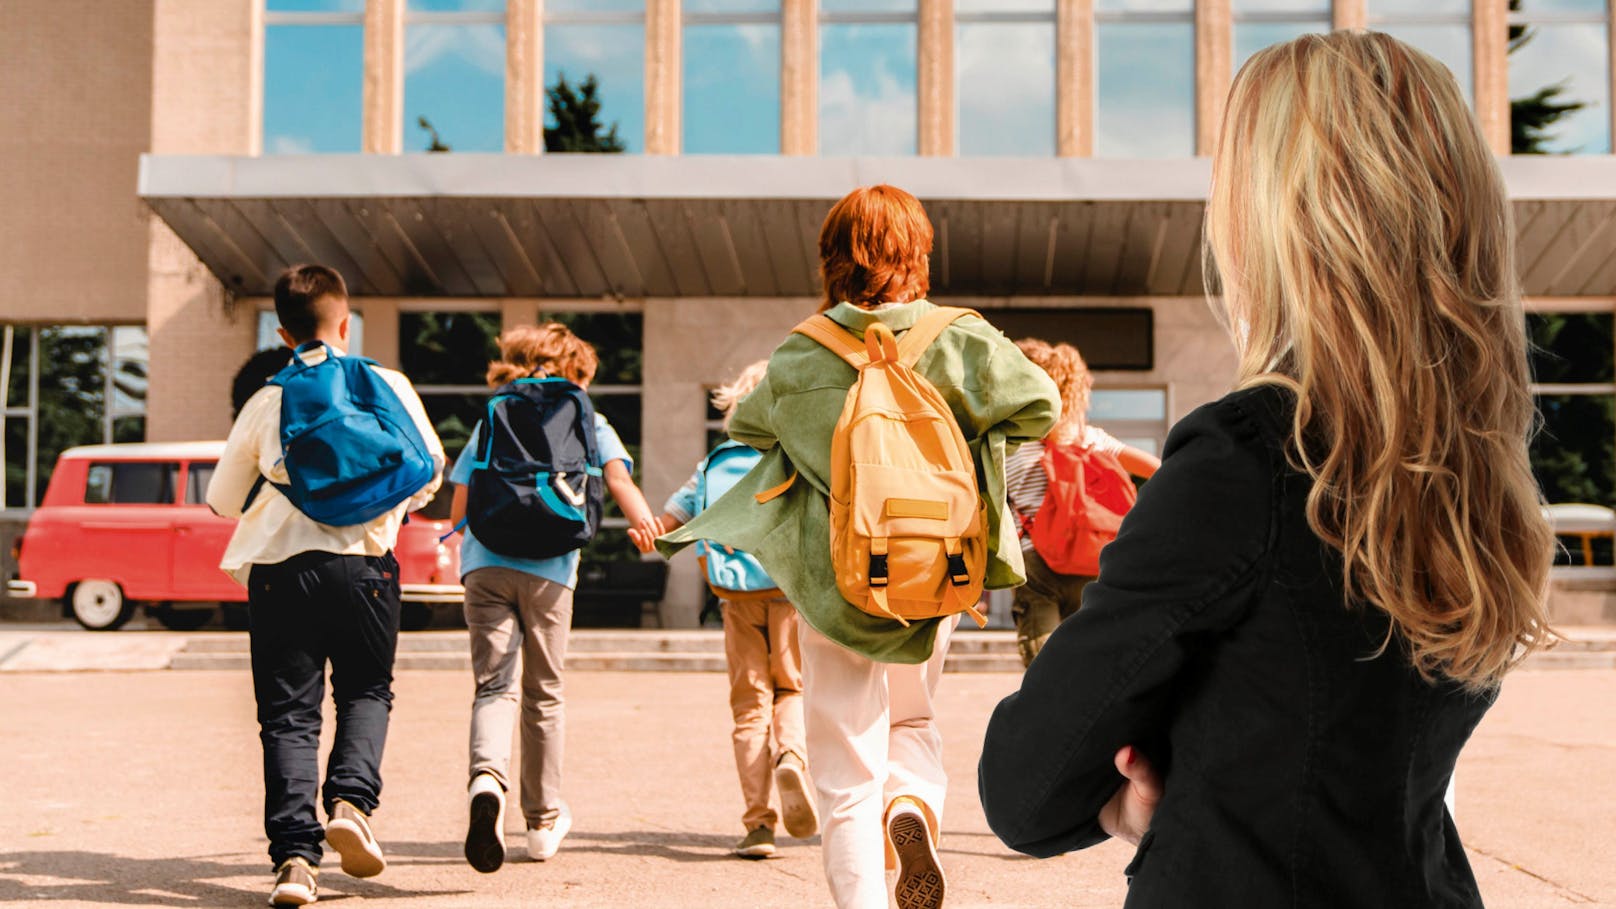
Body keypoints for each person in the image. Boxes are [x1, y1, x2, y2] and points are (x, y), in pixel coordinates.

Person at [978, 31, 1555, 908]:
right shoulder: (1477, 476)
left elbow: (1023, 784)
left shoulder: (1248, 460)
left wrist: (1126, 801)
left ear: (1281, 225)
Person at [659, 185, 1059, 909]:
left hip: (835, 579)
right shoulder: (959, 334)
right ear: (918, 254)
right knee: (913, 717)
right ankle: (909, 805)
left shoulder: (799, 352)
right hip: (935, 569)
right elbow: (1042, 404)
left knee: (844, 766)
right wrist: (964, 445)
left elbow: (748, 429)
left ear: (831, 258)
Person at [207, 265, 446, 907]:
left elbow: (221, 500)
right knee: (367, 689)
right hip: (367, 566)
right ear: (347, 323)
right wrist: (377, 509)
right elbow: (429, 470)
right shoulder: (385, 384)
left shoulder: (268, 398)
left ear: (283, 331)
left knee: (288, 715)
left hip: (281, 571)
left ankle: (294, 862)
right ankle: (350, 803)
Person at [454, 323, 660, 873]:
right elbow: (618, 482)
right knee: (543, 694)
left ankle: (485, 782)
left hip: (486, 564)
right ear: (576, 373)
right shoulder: (590, 418)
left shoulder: (495, 412)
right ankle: (542, 823)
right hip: (551, 571)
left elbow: (460, 506)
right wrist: (646, 527)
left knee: (493, 687)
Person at [630, 360, 819, 861]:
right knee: (792, 688)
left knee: (749, 706)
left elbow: (669, 522)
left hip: (735, 597)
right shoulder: (796, 455)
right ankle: (793, 755)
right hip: (789, 592)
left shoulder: (717, 461)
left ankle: (758, 824)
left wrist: (648, 532)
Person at [1004, 339, 1159, 667]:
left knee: (1044, 666)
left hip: (1036, 566)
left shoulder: (1012, 443)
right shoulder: (1091, 439)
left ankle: (1051, 714)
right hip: (1092, 562)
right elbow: (1160, 469)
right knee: (1093, 662)